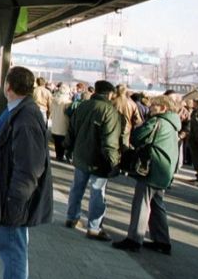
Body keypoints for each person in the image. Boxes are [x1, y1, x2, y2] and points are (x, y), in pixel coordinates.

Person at [0, 66, 53, 279]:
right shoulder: (20, 109)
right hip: (7, 190)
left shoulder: (26, 117)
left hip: (15, 197)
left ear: (8, 87)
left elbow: (29, 167)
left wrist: (15, 199)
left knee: (13, 245)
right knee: (8, 245)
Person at [112, 95, 182, 255]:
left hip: (152, 169)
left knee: (141, 204)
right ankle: (162, 241)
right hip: (164, 171)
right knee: (157, 205)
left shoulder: (157, 122)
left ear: (163, 108)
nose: (150, 108)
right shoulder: (173, 124)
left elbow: (137, 138)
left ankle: (134, 239)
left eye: (154, 106)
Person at [63, 80, 120, 242]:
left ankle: (71, 217)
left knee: (77, 188)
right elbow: (110, 141)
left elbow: (71, 129)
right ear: (109, 94)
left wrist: (68, 147)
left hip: (80, 154)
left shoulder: (83, 105)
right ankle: (94, 228)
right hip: (99, 159)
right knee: (97, 192)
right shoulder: (109, 111)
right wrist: (113, 162)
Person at [114, 84, 143, 150]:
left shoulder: (112, 102)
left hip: (113, 130)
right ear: (125, 91)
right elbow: (138, 121)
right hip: (127, 131)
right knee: (125, 152)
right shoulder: (132, 103)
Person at [50, 83, 73, 162]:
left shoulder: (54, 100)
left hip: (55, 124)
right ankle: (61, 156)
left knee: (56, 142)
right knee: (62, 142)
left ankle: (58, 155)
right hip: (63, 125)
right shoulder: (67, 103)